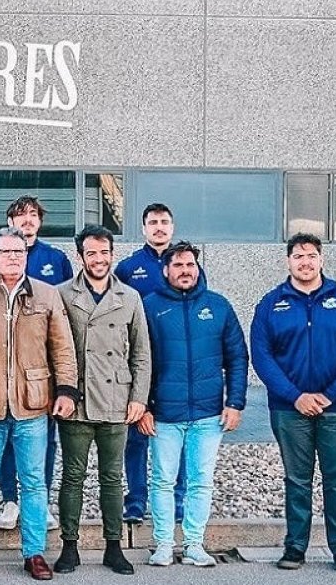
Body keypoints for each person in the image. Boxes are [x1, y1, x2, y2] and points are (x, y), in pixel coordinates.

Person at [0, 227, 78, 581]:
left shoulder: (47, 294)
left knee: (34, 483)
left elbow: (62, 346)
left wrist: (67, 389)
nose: (13, 257)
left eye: (20, 251)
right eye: (6, 251)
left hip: (33, 405)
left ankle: (35, 553)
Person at [251, 233, 336, 573]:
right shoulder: (271, 304)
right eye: (298, 256)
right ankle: (295, 548)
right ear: (288, 261)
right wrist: (296, 396)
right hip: (290, 410)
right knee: (297, 480)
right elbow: (261, 357)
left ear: (321, 259)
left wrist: (330, 393)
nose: (304, 262)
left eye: (310, 255)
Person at [137, 241, 247, 568]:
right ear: (166, 270)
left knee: (200, 481)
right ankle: (163, 544)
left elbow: (238, 357)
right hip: (164, 415)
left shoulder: (219, 306)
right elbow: (138, 361)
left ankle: (195, 544)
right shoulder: (149, 306)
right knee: (162, 480)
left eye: (190, 265)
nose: (186, 271)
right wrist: (143, 407)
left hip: (208, 413)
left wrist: (235, 402)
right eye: (179, 265)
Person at [53, 225, 150, 576]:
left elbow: (141, 354)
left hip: (116, 399)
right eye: (91, 253)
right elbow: (56, 349)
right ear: (81, 256)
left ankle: (114, 547)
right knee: (73, 476)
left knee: (112, 477)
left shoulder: (130, 297)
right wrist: (61, 392)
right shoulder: (62, 294)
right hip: (76, 401)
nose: (98, 259)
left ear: (113, 254)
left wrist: (139, 398)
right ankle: (69, 547)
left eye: (104, 252)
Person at [0, 196, 72, 532]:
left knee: (43, 444)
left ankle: (40, 502)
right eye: (21, 214)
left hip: (36, 378)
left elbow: (61, 326)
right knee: (0, 445)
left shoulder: (56, 259)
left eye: (33, 215)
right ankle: (10, 500)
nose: (27, 219)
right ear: (10, 220)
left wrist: (63, 383)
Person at [115, 203, 204, 524]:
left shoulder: (186, 265)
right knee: (136, 436)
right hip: (137, 361)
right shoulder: (128, 268)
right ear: (143, 228)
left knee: (174, 434)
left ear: (172, 225)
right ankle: (136, 501)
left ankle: (178, 499)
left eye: (165, 221)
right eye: (153, 222)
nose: (159, 227)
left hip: (174, 364)